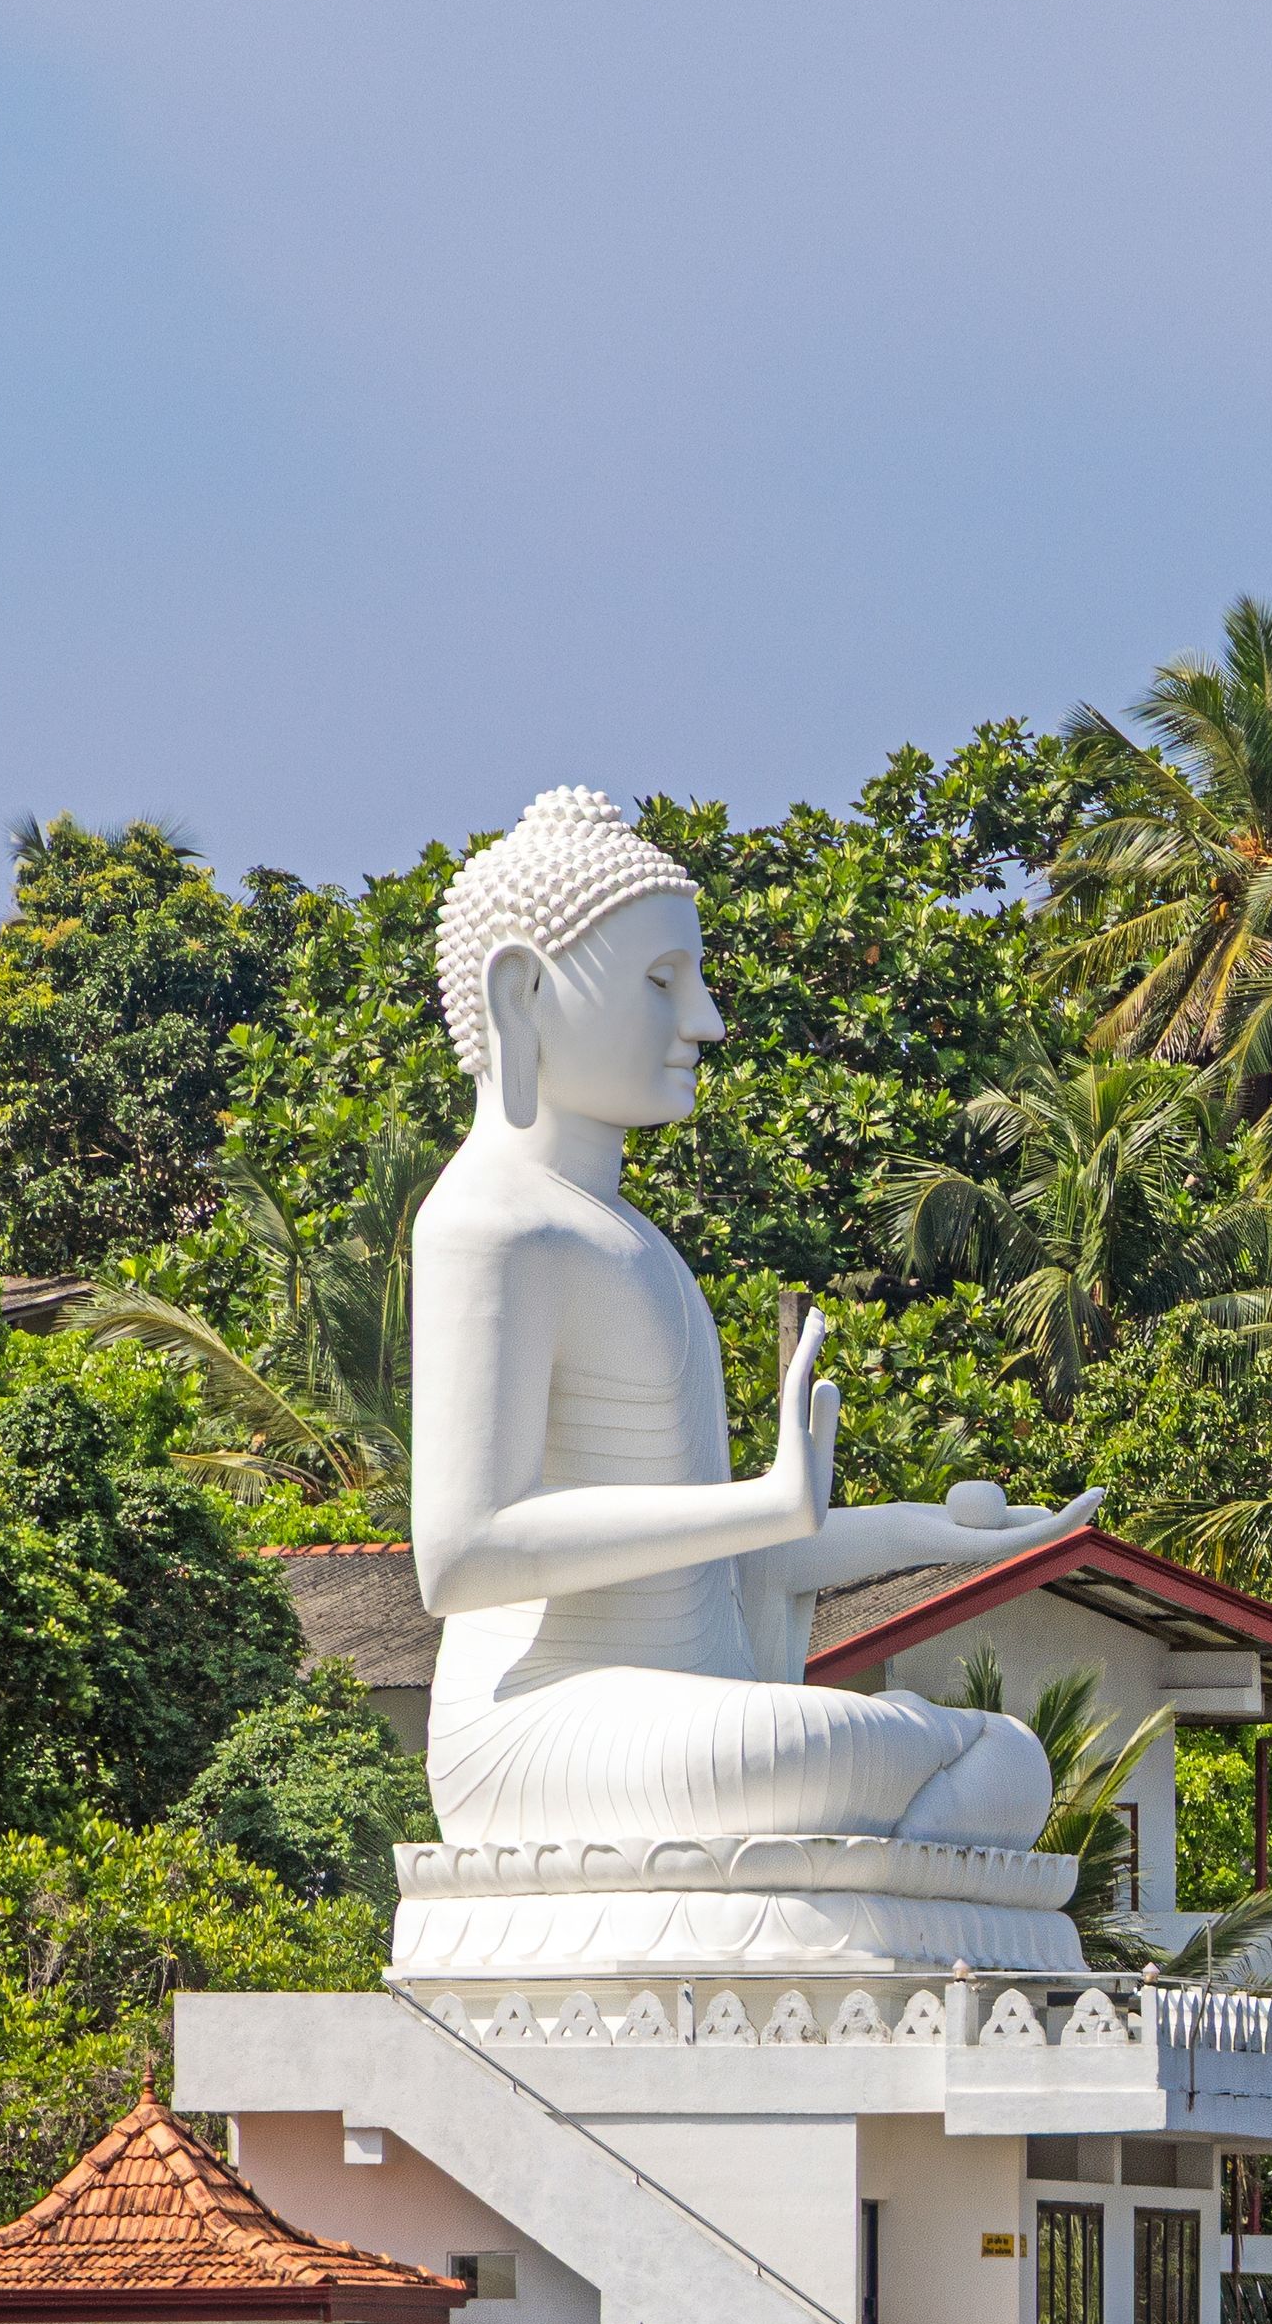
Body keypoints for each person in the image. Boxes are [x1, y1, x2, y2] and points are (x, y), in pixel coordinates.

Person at [399, 789, 1087, 1858]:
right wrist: (763, 1503)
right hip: (543, 1731)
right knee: (919, 1759)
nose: (706, 1021)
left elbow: (731, 1571)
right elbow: (461, 1556)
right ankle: (850, 1924)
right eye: (663, 983)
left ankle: (854, 1927)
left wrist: (929, 1534)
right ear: (523, 993)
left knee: (1008, 1760)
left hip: (680, 1708)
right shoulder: (489, 1224)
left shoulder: (623, 1235)